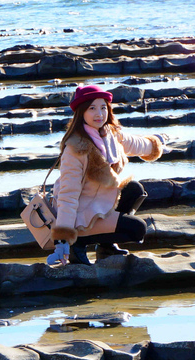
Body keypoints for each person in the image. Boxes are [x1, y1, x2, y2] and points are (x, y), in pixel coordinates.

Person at [48, 84, 168, 265]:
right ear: (81, 112)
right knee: (137, 229)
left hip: (98, 203)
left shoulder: (109, 134)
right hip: (81, 214)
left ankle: (106, 246)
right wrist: (63, 238)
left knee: (134, 189)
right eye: (92, 108)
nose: (99, 114)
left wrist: (157, 143)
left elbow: (136, 144)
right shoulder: (75, 149)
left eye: (103, 107)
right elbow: (68, 195)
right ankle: (77, 244)